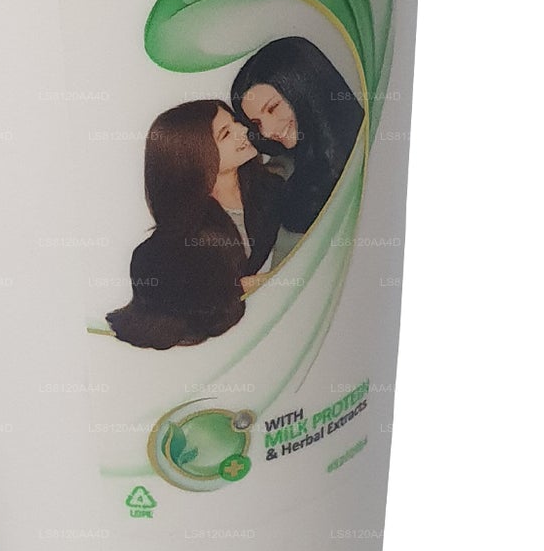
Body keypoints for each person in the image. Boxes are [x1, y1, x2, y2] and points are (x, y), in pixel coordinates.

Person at [106, 100, 283, 351]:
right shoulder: (175, 244)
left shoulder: (272, 189)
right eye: (225, 134)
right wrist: (242, 287)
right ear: (195, 155)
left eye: (236, 122)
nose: (244, 131)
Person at [229, 36, 365, 239]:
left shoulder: (366, 152)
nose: (267, 132)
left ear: (305, 89)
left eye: (273, 108)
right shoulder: (286, 170)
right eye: (257, 123)